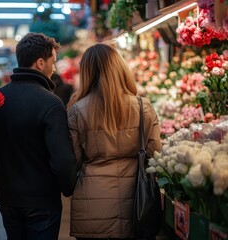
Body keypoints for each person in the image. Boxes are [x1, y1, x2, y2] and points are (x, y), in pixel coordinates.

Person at [0, 32, 77, 240]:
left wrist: (0, 180)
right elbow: (62, 160)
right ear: (40, 63)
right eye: (53, 62)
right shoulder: (51, 103)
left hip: (8, 198)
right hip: (42, 201)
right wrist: (68, 188)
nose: (54, 68)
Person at [67, 43, 162, 240]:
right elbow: (155, 154)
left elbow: (73, 160)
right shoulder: (143, 107)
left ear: (87, 72)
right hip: (136, 202)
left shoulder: (77, 110)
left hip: (92, 205)